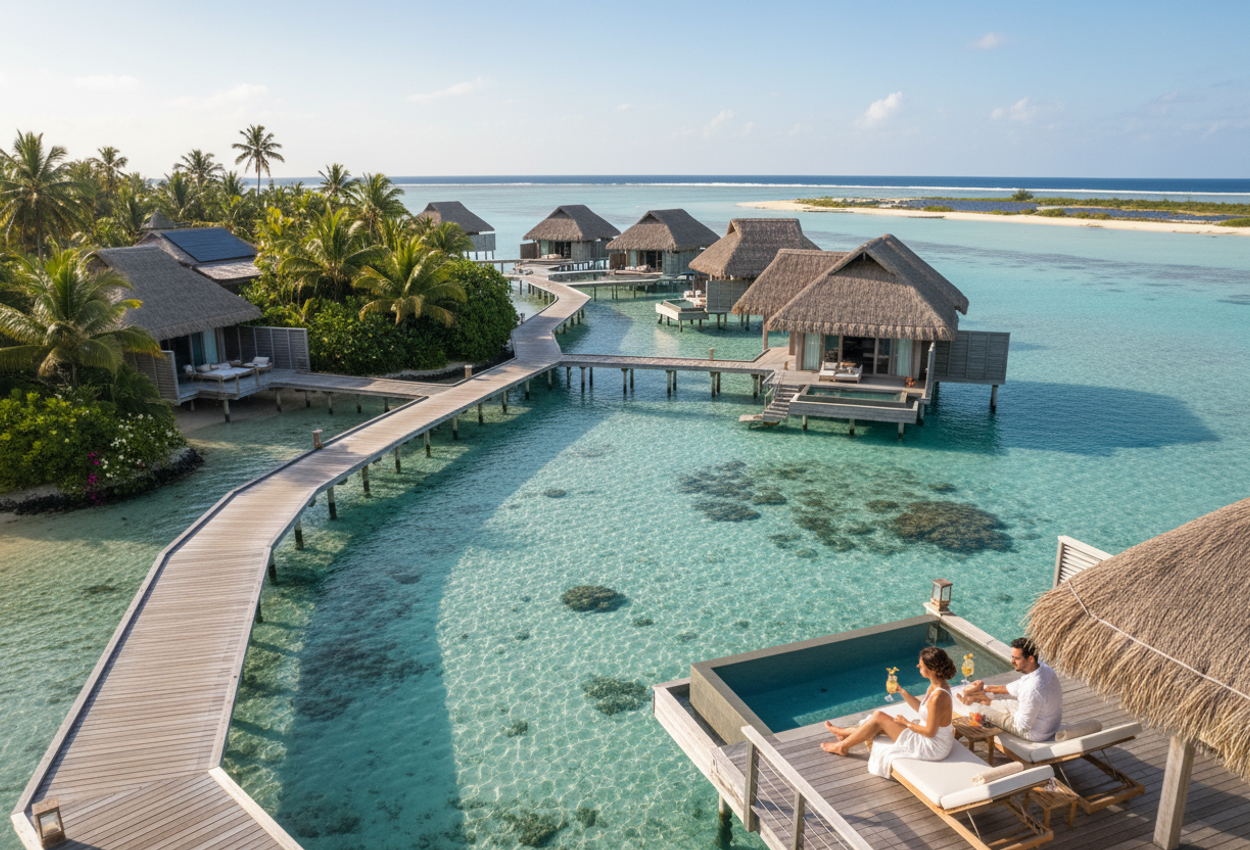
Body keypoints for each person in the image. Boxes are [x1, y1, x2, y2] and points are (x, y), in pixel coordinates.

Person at [821, 646, 956, 779]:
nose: (917, 666)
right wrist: (902, 691)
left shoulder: (938, 697)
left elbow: (930, 732)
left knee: (879, 717)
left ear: (931, 670)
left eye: (920, 665)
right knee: (879, 722)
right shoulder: (936, 685)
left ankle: (842, 746)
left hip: (932, 746)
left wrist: (906, 723)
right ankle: (843, 733)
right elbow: (922, 708)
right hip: (931, 737)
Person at [958, 637, 1062, 742]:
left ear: (1030, 659)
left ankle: (981, 704)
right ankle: (985, 701)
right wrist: (986, 688)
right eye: (1012, 657)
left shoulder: (1031, 689)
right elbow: (1017, 686)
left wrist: (1002, 715)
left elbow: (1022, 726)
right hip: (1049, 724)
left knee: (979, 709)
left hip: (1035, 733)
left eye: (1016, 658)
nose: (1012, 661)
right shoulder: (1044, 669)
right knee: (999, 703)